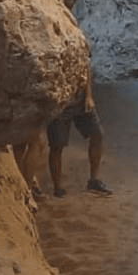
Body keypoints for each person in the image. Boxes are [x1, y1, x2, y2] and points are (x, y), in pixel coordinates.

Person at [46, 65, 111, 197]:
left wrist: (88, 96)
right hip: (60, 102)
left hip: (80, 99)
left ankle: (94, 179)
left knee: (97, 134)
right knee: (57, 145)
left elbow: (85, 66)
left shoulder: (80, 44)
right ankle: (57, 187)